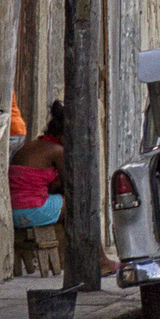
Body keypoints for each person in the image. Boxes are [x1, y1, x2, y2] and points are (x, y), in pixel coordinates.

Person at [9, 102, 116, 275]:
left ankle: (69, 259)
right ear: (65, 135)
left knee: (68, 206)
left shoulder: (31, 145)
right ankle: (100, 260)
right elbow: (72, 188)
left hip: (13, 211)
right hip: (31, 210)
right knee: (84, 207)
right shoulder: (57, 151)